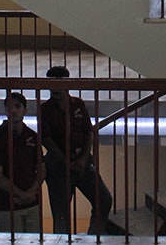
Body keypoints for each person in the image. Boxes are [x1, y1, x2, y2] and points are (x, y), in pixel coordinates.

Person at [39, 65, 112, 235]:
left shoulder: (77, 104)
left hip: (82, 162)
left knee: (104, 199)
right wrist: (67, 162)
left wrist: (82, 159)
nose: (55, 89)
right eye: (52, 84)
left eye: (59, 84)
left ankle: (94, 236)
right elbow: (46, 140)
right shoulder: (45, 109)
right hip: (58, 167)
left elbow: (88, 132)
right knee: (61, 213)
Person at [0, 92, 45, 233]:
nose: (13, 110)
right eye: (9, 107)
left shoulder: (32, 136)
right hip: (8, 206)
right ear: (5, 111)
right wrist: (24, 195)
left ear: (25, 110)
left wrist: (28, 194)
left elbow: (42, 169)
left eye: (17, 106)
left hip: (32, 205)